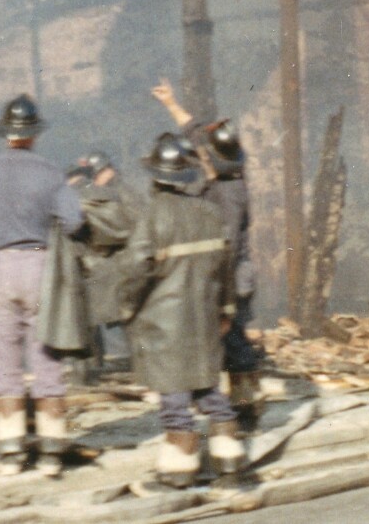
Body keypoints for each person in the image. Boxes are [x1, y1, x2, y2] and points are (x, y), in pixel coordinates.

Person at [0, 94, 83, 477]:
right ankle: (50, 453)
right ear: (34, 134)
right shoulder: (50, 172)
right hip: (41, 266)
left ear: (6, 134)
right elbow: (75, 222)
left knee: (4, 360)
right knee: (46, 357)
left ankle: (11, 452)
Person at [118, 133, 246, 490]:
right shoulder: (209, 213)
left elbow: (135, 270)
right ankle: (230, 459)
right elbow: (226, 267)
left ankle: (179, 469)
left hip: (163, 323)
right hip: (204, 316)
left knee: (174, 392)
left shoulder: (152, 217)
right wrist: (227, 310)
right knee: (207, 385)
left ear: (155, 176)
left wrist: (127, 306)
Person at [151, 78, 265, 430]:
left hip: (230, 275)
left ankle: (244, 406)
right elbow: (199, 134)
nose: (197, 154)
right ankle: (232, 403)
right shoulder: (221, 171)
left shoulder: (227, 196)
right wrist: (171, 104)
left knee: (232, 339)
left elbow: (225, 250)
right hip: (223, 274)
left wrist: (222, 299)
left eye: (203, 154)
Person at [76, 151, 141, 376]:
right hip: (109, 264)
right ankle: (101, 365)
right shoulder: (117, 192)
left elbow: (133, 227)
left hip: (113, 264)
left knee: (118, 318)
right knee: (110, 318)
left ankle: (116, 364)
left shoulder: (119, 193)